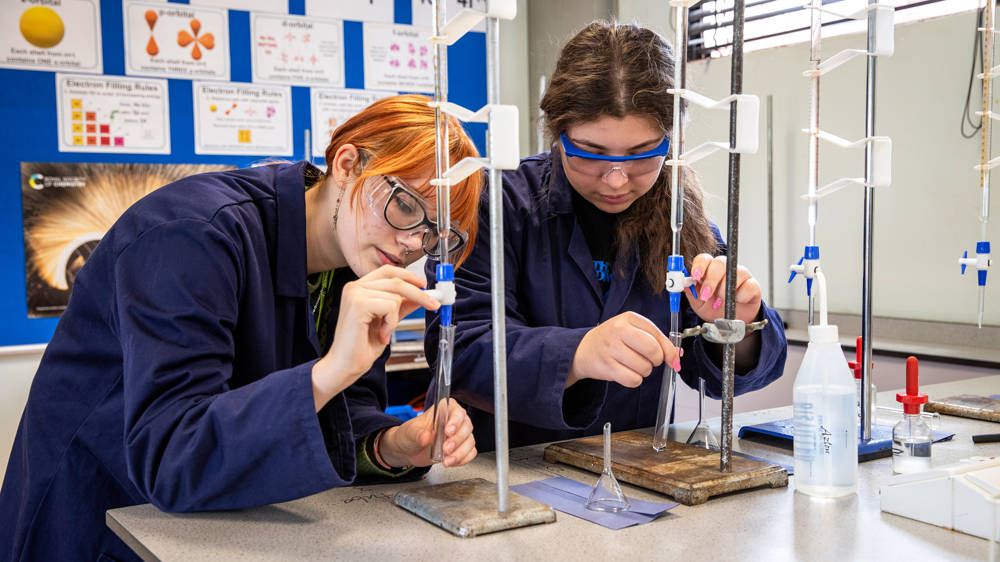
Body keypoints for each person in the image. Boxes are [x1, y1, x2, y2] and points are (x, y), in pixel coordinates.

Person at [0, 94, 482, 561]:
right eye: (405, 205)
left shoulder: (353, 258)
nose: (410, 244)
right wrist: (333, 368)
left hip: (209, 527)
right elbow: (171, 454)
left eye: (435, 235)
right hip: (100, 517)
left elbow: (342, 410)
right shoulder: (193, 234)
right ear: (348, 164)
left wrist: (393, 444)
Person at [425, 21, 788, 450]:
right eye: (591, 154)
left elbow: (731, 372)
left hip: (633, 479)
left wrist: (738, 323)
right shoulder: (494, 204)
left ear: (672, 141)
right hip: (502, 474)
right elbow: (458, 349)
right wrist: (579, 353)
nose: (616, 180)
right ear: (557, 133)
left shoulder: (682, 222)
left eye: (642, 155)